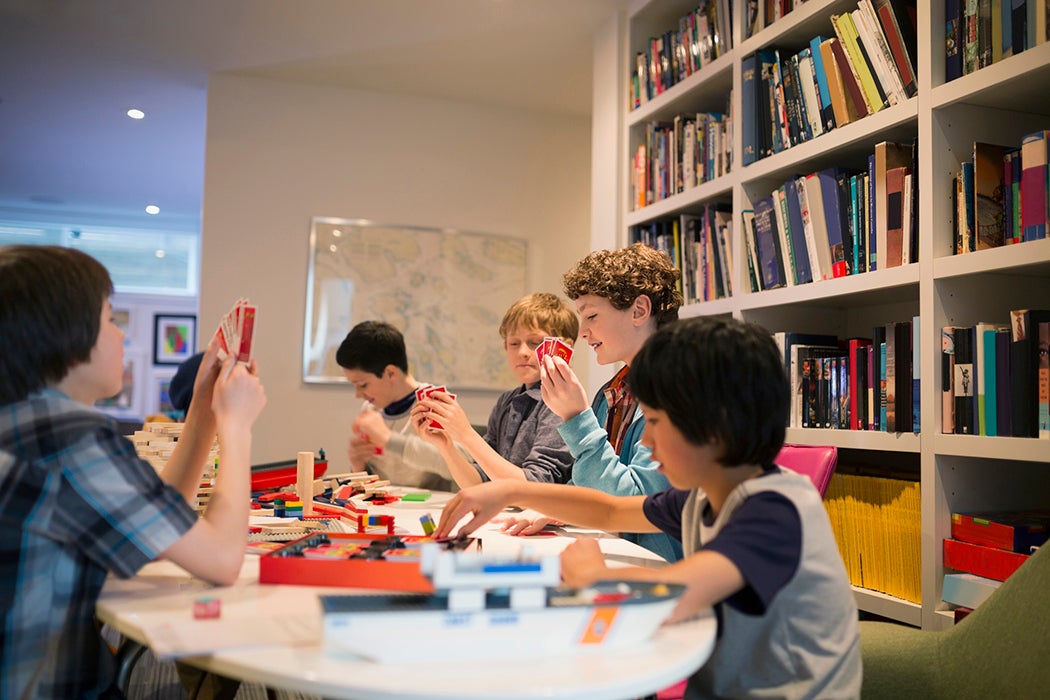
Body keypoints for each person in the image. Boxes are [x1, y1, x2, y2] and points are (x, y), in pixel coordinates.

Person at [435, 316, 862, 699]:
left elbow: (672, 598)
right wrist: (510, 492)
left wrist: (592, 572)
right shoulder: (707, 494)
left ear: (716, 426)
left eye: (655, 422)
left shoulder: (775, 511)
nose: (644, 440)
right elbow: (608, 511)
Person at [0, 245, 267, 698]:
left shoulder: (24, 424)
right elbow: (221, 560)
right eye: (110, 319)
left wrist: (202, 419)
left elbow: (157, 531)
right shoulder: (70, 437)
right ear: (67, 335)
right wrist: (237, 430)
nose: (121, 334)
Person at [530, 243, 683, 561]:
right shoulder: (614, 392)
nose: (582, 331)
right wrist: (558, 508)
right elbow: (598, 486)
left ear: (639, 311)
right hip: (623, 554)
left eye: (592, 316)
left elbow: (638, 504)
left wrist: (576, 417)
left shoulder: (680, 390)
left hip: (661, 569)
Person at [410, 292, 578, 488]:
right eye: (514, 343)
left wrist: (466, 434)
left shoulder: (561, 403)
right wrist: (445, 445)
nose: (522, 352)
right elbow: (479, 483)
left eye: (535, 343)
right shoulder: (507, 401)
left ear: (564, 347)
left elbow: (534, 489)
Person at [336, 320, 458, 491]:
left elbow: (460, 467)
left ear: (390, 373)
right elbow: (372, 486)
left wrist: (389, 439)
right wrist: (359, 467)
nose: (358, 395)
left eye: (363, 385)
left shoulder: (434, 404)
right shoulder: (370, 409)